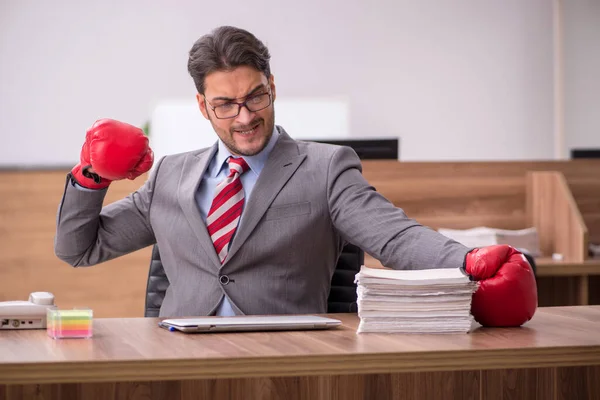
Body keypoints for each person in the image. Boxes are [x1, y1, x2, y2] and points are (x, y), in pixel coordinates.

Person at [54, 26, 537, 327]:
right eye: (225, 104)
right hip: (180, 354)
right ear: (203, 106)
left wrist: (467, 260)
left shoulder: (326, 167)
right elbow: (79, 248)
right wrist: (91, 176)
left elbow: (394, 236)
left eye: (255, 97)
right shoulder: (170, 177)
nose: (244, 117)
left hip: (286, 356)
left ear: (273, 88)